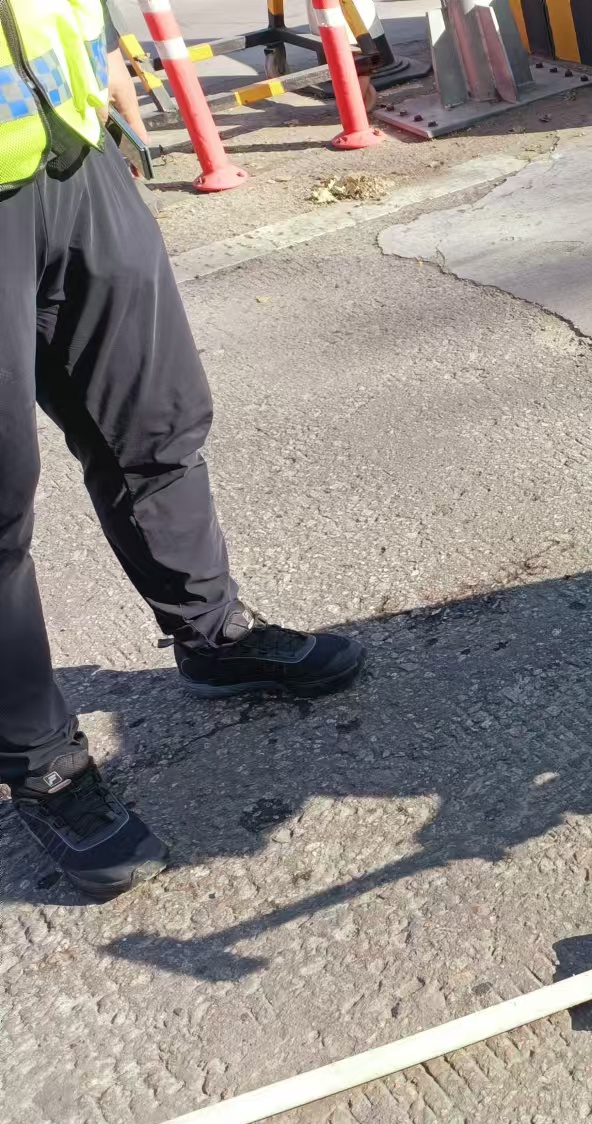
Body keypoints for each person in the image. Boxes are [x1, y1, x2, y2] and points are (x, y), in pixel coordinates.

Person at [2, 0, 365, 901]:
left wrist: (113, 84)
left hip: (74, 144)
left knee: (156, 422)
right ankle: (39, 760)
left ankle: (212, 637)